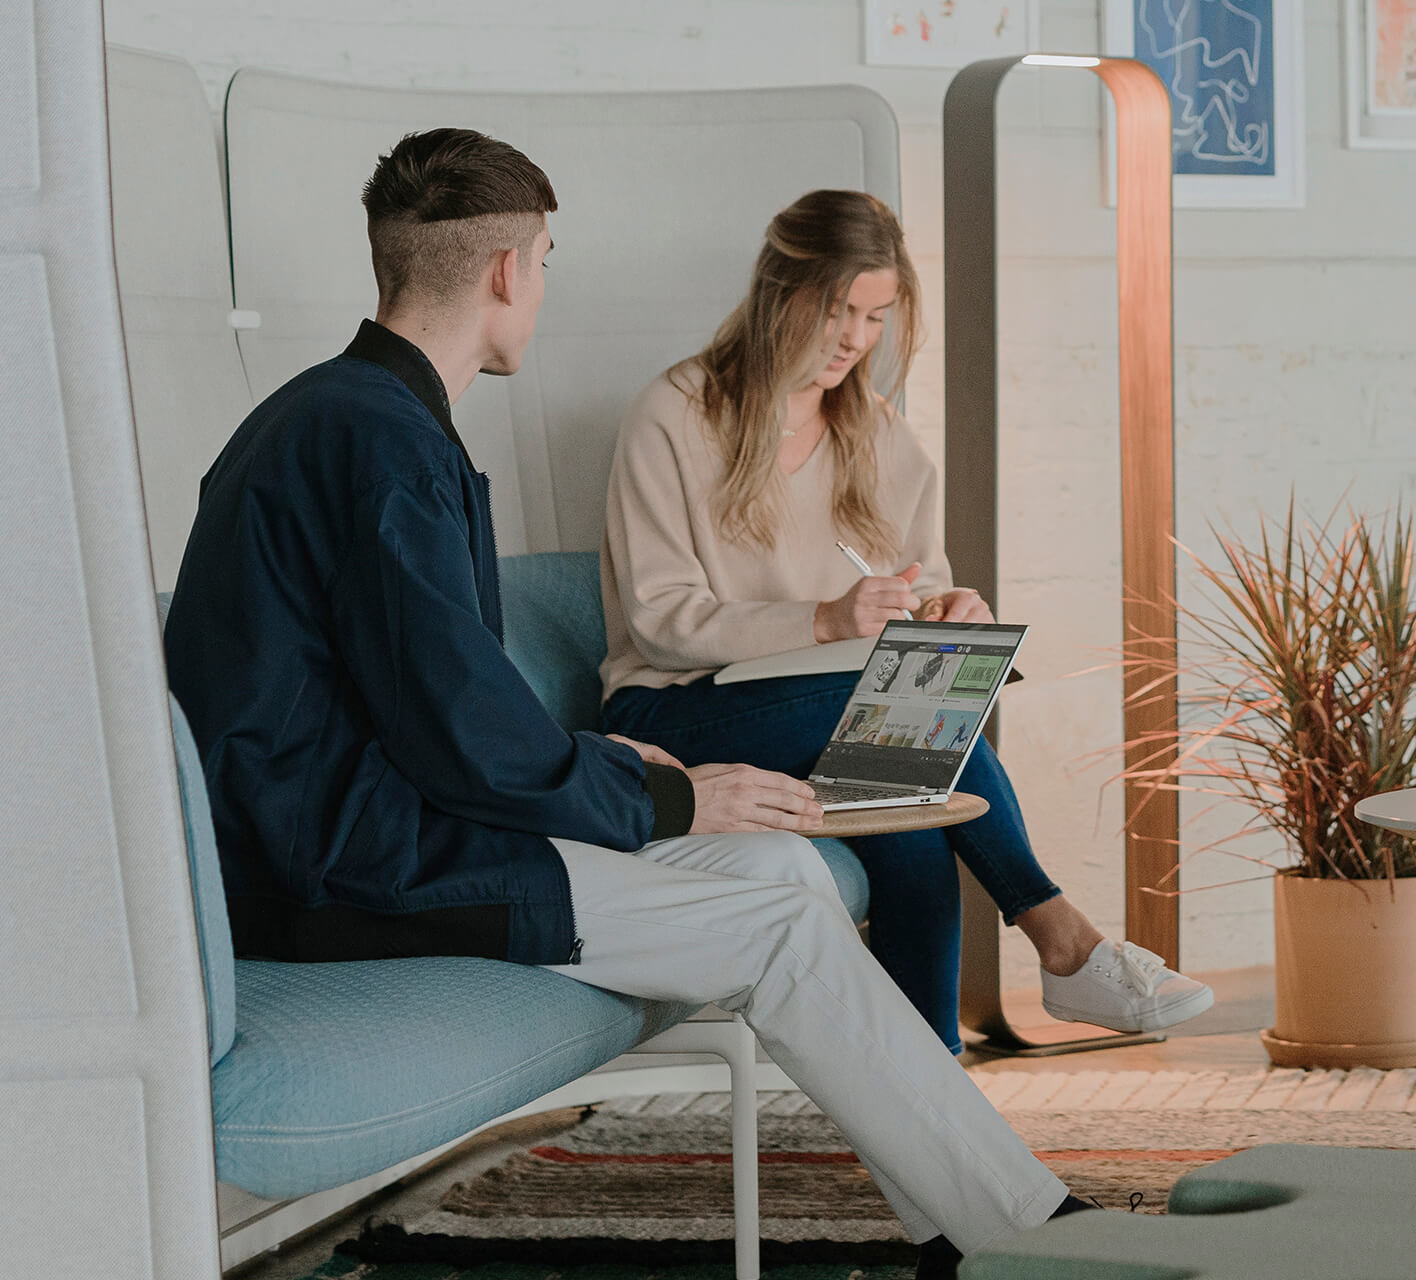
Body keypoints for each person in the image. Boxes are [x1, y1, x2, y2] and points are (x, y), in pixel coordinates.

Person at [163, 129, 1081, 1272]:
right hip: (352, 869)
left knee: (783, 865)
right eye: (545, 259)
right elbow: (457, 732)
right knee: (779, 910)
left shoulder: (347, 417)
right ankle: (1025, 1237)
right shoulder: (378, 443)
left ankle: (963, 1220)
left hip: (378, 825)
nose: (542, 283)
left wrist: (635, 773)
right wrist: (668, 792)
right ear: (508, 270)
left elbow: (427, 704)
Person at [594, 189, 1211, 1048]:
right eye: (838, 309)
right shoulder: (673, 414)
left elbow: (922, 587)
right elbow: (661, 622)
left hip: (831, 714)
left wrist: (947, 611)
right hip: (675, 708)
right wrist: (821, 620)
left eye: (877, 316)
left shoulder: (878, 436)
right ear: (781, 291)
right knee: (893, 713)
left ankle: (933, 1081)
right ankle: (1061, 938)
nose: (854, 338)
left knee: (910, 810)